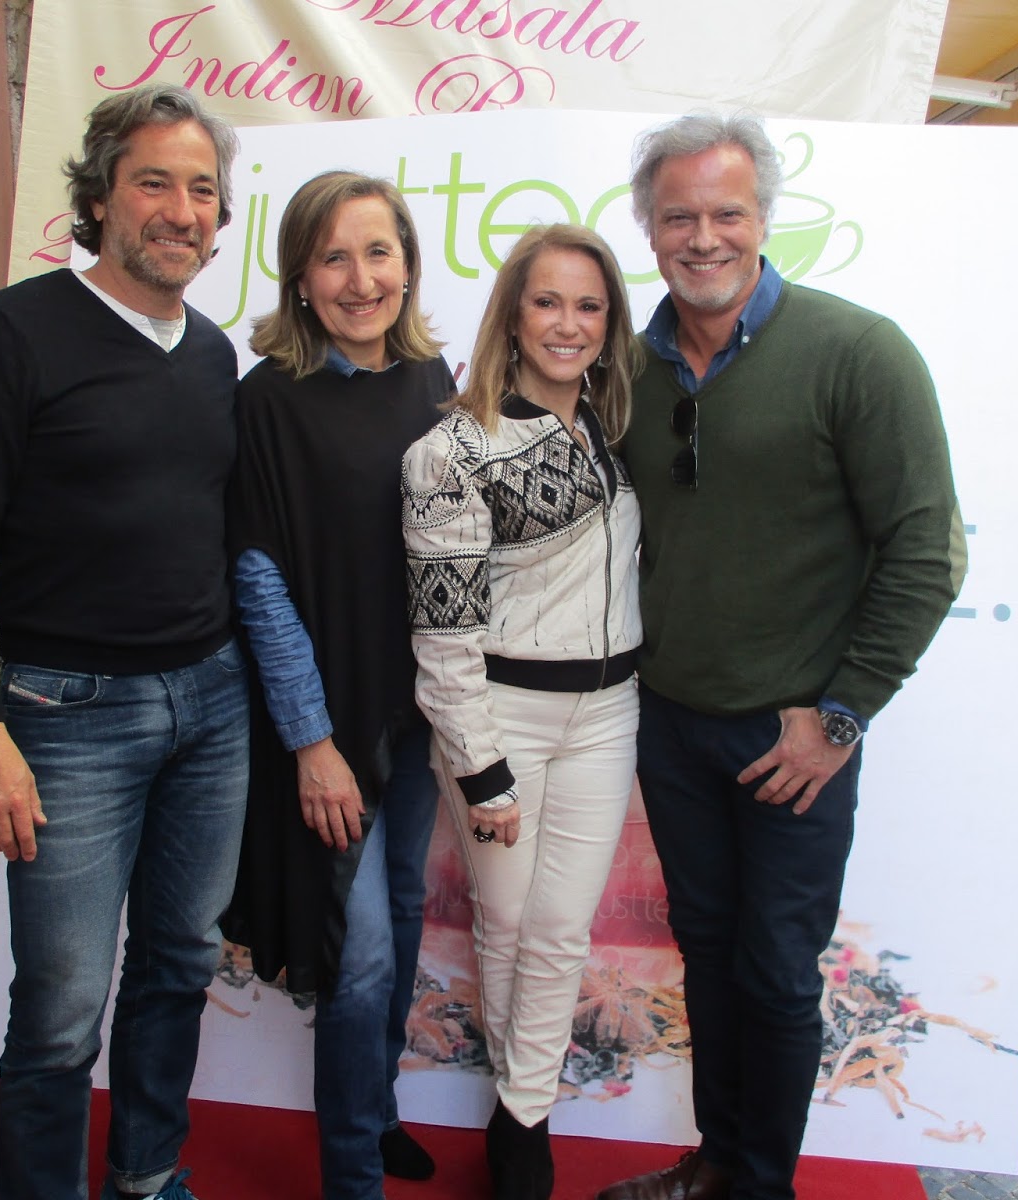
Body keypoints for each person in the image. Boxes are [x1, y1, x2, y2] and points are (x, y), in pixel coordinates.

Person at [597, 114, 966, 1200]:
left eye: (727, 212)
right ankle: (719, 1166)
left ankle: (760, 1185)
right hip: (671, 725)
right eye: (678, 217)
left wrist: (840, 715)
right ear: (649, 229)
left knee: (772, 973)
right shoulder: (628, 369)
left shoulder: (858, 352)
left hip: (793, 740)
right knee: (708, 961)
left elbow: (926, 551)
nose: (703, 237)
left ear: (764, 218)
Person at [0, 85, 245, 1200]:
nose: (181, 210)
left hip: (212, 707)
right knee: (58, 1006)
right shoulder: (8, 335)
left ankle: (145, 1177)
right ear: (98, 198)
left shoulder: (212, 354)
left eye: (202, 190)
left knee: (179, 965)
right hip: (65, 718)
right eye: (154, 182)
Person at [221, 170, 456, 1200]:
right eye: (334, 257)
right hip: (331, 727)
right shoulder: (267, 401)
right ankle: (352, 1172)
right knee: (357, 952)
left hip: (419, 718)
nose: (361, 280)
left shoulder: (436, 380)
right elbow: (259, 581)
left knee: (400, 914)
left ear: (408, 263)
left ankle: (379, 1111)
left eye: (379, 252)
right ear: (300, 278)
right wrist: (311, 743)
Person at [402, 224, 644, 1200]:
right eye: (547, 301)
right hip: (501, 716)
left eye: (589, 306)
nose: (567, 324)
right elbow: (442, 634)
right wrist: (479, 764)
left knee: (559, 931)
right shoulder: (453, 450)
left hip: (609, 714)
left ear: (609, 325)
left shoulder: (615, 435)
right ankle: (525, 1129)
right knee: (504, 924)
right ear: (511, 314)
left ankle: (520, 1116)